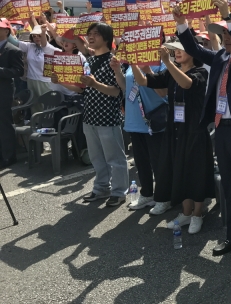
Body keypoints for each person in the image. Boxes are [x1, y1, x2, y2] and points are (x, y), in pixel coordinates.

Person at [173, 0, 231, 265]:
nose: (226, 37)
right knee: (229, 187)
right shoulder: (220, 59)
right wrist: (182, 24)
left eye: (230, 32)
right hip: (221, 129)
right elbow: (192, 46)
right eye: (222, 34)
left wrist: (229, 16)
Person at [131, 42, 214, 234]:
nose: (177, 52)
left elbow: (186, 83)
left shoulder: (200, 72)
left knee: (196, 173)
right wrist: (134, 63)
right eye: (174, 49)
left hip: (195, 130)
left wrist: (167, 62)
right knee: (180, 171)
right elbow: (144, 82)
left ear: (193, 52)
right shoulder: (172, 70)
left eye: (181, 49)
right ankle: (185, 213)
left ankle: (198, 214)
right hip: (175, 130)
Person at [51, 23, 129, 206]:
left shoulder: (113, 61)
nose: (91, 37)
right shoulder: (89, 61)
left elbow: (117, 92)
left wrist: (95, 84)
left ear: (106, 38)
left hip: (108, 117)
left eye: (96, 34)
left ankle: (119, 191)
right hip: (89, 116)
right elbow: (82, 90)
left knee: (115, 158)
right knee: (96, 157)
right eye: (90, 34)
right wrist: (61, 81)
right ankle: (101, 187)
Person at [110, 55, 168, 211]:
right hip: (134, 121)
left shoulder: (162, 63)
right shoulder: (132, 62)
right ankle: (147, 194)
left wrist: (146, 70)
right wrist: (117, 71)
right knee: (141, 163)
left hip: (154, 121)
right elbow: (126, 87)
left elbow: (163, 92)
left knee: (158, 163)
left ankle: (164, 197)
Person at [10, 21, 62, 113]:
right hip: (31, 80)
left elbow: (65, 56)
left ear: (45, 36)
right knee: (34, 106)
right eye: (34, 36)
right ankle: (36, 125)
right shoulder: (29, 46)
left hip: (45, 82)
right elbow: (13, 42)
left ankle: (46, 125)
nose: (37, 38)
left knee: (45, 106)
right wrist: (5, 27)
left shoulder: (51, 49)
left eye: (39, 35)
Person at [0, 20, 24, 169]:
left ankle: (9, 156)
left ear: (6, 31)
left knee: (4, 124)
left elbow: (19, 71)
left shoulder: (13, 50)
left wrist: (0, 70)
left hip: (4, 92)